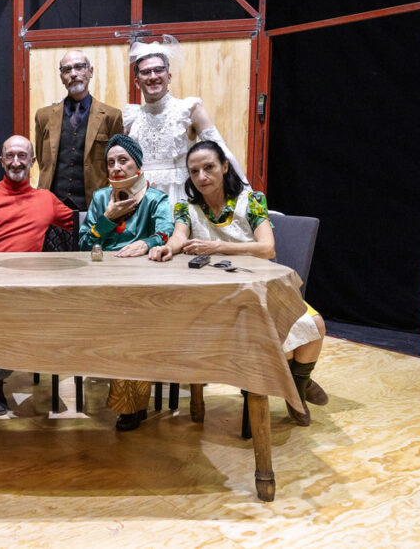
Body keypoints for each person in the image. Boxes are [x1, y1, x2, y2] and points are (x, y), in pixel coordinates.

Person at [148, 140, 328, 426]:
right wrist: (169, 247)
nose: (202, 176)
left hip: (258, 286)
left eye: (209, 167)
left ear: (224, 167)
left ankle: (297, 388)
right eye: (194, 171)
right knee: (281, 342)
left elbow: (267, 248)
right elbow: (180, 236)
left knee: (315, 325)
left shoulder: (251, 201)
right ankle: (297, 386)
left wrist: (217, 247)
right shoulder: (186, 207)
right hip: (215, 296)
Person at [0, 135, 74, 415]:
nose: (16, 162)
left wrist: (117, 217)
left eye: (22, 156)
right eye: (10, 156)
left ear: (32, 162)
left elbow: (81, 224)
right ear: (1, 161)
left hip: (31, 288)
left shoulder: (46, 199)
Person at [78, 134, 174, 431]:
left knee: (131, 327)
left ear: (138, 165)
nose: (116, 168)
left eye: (123, 160)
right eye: (111, 163)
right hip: (103, 281)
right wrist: (107, 219)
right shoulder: (101, 199)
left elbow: (166, 234)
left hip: (144, 283)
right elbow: (84, 244)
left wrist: (147, 243)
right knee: (120, 326)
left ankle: (131, 403)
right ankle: (133, 403)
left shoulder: (155, 199)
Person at [124, 36, 247, 205]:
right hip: (143, 200)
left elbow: (221, 151)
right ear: (137, 82)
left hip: (183, 198)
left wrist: (246, 195)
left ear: (169, 77)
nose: (153, 76)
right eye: (146, 72)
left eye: (159, 70)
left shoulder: (188, 110)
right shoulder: (131, 118)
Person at [34, 50, 124, 212]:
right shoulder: (44, 116)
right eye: (67, 70)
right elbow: (42, 160)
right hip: (52, 205)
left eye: (79, 67)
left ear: (90, 71)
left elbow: (116, 164)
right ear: (62, 77)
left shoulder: (111, 116)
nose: (73, 74)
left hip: (93, 205)